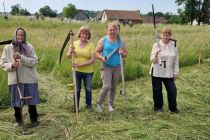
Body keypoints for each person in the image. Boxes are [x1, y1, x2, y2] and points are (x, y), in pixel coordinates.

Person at [0, 28, 40, 127]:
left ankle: (34, 120)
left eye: (22, 35)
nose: (20, 37)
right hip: (14, 80)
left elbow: (34, 61)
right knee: (16, 102)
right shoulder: (8, 48)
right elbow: (2, 63)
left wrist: (21, 58)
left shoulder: (29, 47)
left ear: (24, 36)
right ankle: (18, 120)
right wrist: (12, 65)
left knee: (31, 102)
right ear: (15, 35)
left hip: (29, 79)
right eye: (18, 35)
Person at [95, 22, 127, 112]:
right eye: (110, 30)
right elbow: (96, 52)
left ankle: (110, 104)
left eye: (114, 30)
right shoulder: (103, 40)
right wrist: (101, 57)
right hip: (106, 66)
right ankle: (99, 104)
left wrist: (123, 53)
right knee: (106, 86)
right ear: (108, 31)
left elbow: (126, 54)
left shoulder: (121, 41)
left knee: (113, 86)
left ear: (117, 30)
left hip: (117, 67)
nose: (112, 32)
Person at [150, 28, 179, 114]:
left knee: (172, 90)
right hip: (157, 71)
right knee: (157, 90)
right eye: (164, 34)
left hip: (168, 72)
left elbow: (176, 60)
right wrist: (155, 55)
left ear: (170, 36)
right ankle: (158, 108)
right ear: (161, 35)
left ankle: (172, 108)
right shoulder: (156, 45)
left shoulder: (173, 46)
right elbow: (152, 60)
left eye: (167, 35)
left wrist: (176, 72)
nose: (165, 36)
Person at [66, 26, 95, 111]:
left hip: (88, 72)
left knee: (88, 89)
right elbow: (68, 56)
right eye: (83, 33)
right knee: (77, 89)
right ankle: (76, 108)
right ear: (80, 34)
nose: (84, 35)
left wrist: (79, 64)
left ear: (88, 35)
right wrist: (70, 52)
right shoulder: (73, 43)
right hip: (76, 71)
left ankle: (88, 107)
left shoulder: (91, 45)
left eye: (86, 34)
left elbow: (93, 60)